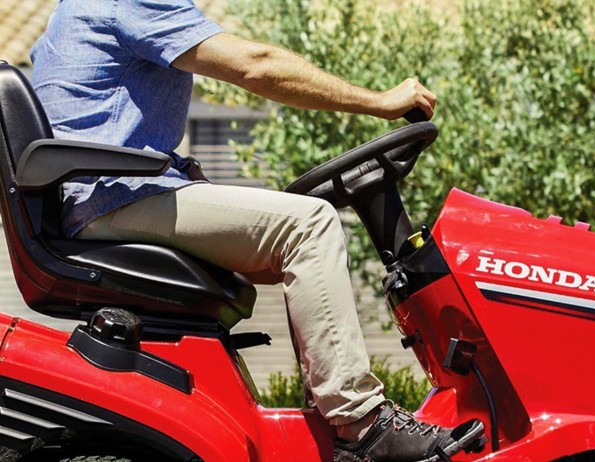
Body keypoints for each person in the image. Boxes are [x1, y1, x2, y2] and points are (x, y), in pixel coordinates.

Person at [30, 1, 484, 460]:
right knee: (309, 225)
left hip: (100, 199)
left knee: (290, 243)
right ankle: (361, 425)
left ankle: (329, 415)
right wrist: (380, 102)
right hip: (115, 198)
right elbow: (257, 65)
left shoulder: (75, 10)